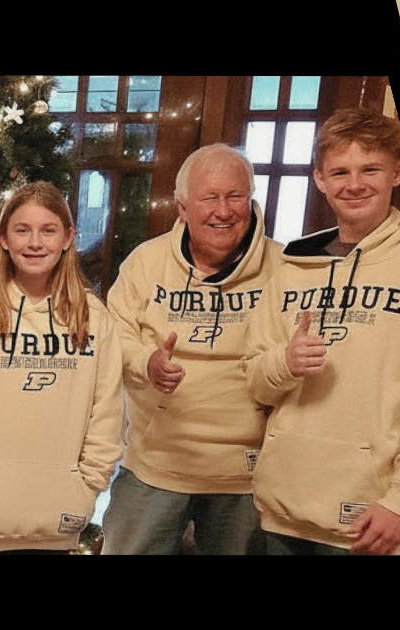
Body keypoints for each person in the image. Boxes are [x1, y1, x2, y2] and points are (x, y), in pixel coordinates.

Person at [242, 107, 400, 555]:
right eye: (340, 171)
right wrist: (284, 364)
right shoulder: (293, 267)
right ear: (320, 180)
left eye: (370, 169)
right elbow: (255, 378)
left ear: (399, 172)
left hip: (370, 514)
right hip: (283, 508)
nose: (354, 184)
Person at [101, 144, 281, 555]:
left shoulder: (284, 268)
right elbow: (114, 337)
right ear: (182, 207)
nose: (224, 210)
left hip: (247, 474)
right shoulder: (145, 263)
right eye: (209, 198)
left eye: (235, 196)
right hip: (155, 464)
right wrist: (146, 362)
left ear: (251, 201)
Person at [0, 181, 123, 554]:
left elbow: (108, 410)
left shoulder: (93, 318)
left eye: (48, 231)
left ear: (68, 238)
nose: (35, 243)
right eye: (22, 230)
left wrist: (87, 485)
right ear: (4, 238)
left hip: (59, 517)